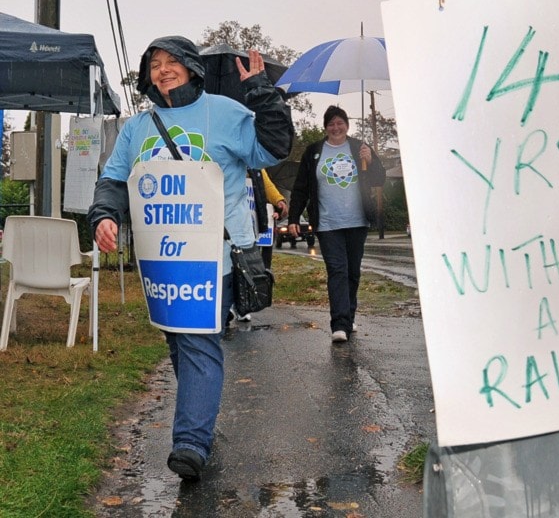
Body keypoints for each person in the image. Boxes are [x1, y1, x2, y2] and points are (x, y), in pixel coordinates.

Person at [87, 36, 292, 481]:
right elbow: (115, 179)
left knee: (199, 340)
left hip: (215, 255)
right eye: (154, 64)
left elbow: (274, 147)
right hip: (160, 261)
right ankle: (199, 420)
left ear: (191, 67)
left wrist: (261, 92)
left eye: (171, 61)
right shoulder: (137, 128)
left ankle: (190, 444)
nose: (162, 70)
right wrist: (104, 214)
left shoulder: (226, 112)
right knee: (179, 341)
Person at [287, 105, 386, 343]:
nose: (336, 127)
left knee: (352, 272)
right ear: (325, 127)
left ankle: (349, 317)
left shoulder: (359, 148)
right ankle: (339, 324)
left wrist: (370, 161)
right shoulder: (314, 152)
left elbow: (379, 179)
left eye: (340, 122)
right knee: (337, 271)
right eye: (331, 123)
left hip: (357, 221)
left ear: (347, 125)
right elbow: (301, 188)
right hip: (327, 223)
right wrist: (293, 218)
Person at [229, 168, 287, 323]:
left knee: (243, 266)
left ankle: (240, 305)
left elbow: (266, 184)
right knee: (227, 265)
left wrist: (279, 200)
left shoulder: (253, 164)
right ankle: (227, 305)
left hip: (247, 224)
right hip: (225, 221)